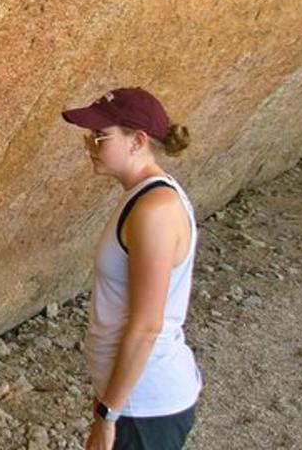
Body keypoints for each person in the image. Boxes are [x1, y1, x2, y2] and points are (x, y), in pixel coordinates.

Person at [61, 87, 201, 450]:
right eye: (89, 136)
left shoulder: (154, 211)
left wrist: (109, 414)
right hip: (136, 398)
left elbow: (146, 325)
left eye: (100, 136)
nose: (90, 145)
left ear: (137, 141)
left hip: (146, 403)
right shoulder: (146, 197)